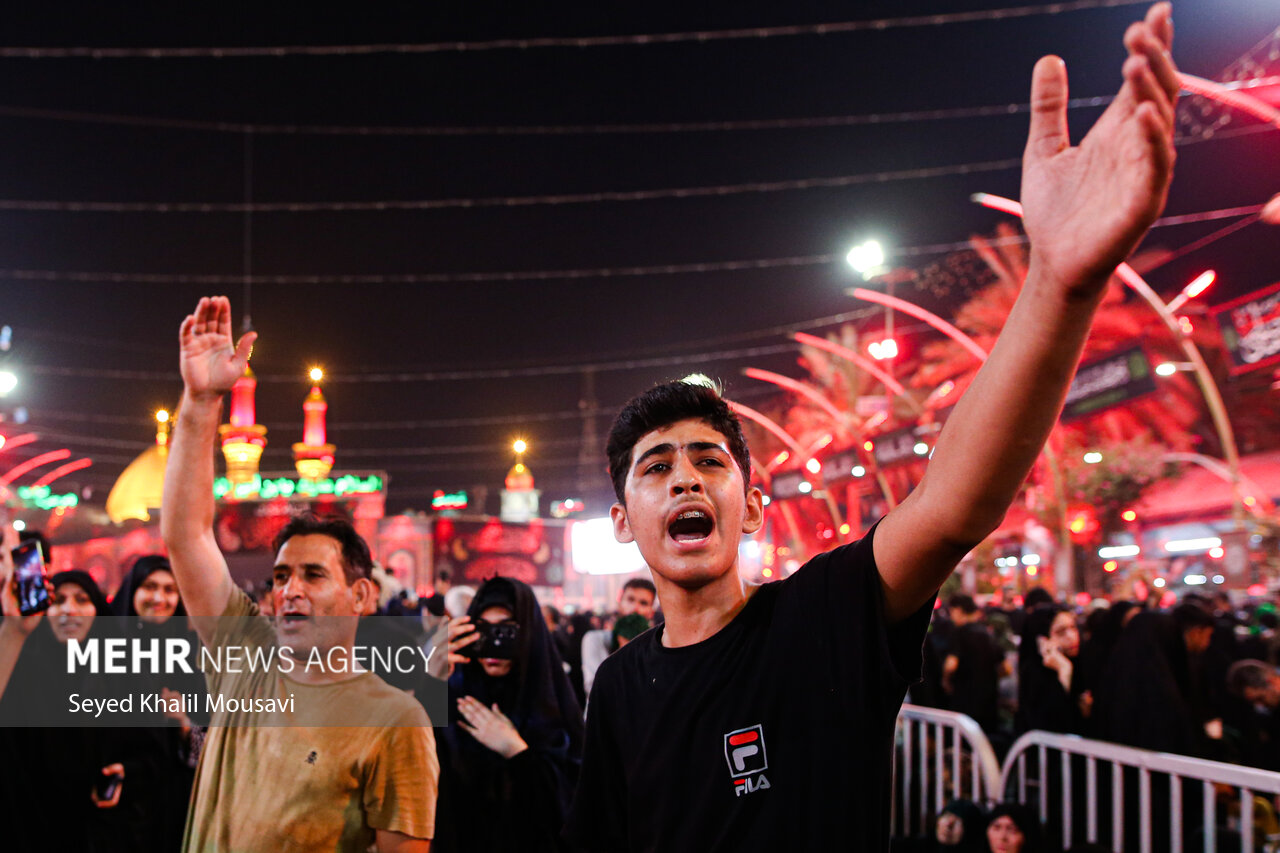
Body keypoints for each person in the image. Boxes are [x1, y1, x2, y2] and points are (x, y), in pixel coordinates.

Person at [563, 5, 1180, 850]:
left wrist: (1059, 283)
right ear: (623, 523)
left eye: (710, 458)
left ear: (751, 506)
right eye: (655, 466)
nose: (684, 477)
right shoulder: (621, 686)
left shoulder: (819, 622)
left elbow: (951, 506)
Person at [162, 297, 439, 852]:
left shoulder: (395, 720)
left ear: (361, 594)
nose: (289, 590)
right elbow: (188, 534)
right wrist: (199, 402)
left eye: (313, 574)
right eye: (282, 574)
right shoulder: (244, 660)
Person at [432, 576, 584, 852]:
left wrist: (517, 751)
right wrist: (429, 681)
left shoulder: (551, 703)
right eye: (484, 630)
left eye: (507, 631)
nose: (494, 645)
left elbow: (576, 808)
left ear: (528, 634)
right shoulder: (454, 694)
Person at [0, 555, 113, 853]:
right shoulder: (21, 669)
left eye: (81, 599)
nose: (69, 610)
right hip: (30, 826)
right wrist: (13, 632)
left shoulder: (118, 675)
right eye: (58, 600)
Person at [95, 555, 205, 853]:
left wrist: (184, 723)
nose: (159, 598)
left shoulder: (192, 657)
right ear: (133, 591)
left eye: (170, 589)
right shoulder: (106, 651)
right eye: (150, 586)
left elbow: (208, 750)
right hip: (118, 806)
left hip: (172, 809)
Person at [942, 594, 1007, 735]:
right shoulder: (988, 633)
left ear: (958, 610)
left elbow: (951, 665)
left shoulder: (959, 633)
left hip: (964, 702)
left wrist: (946, 681)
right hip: (989, 702)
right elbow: (1007, 668)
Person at [580, 577, 656, 696]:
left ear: (651, 612)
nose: (635, 608)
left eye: (643, 603)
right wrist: (625, 649)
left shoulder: (656, 646)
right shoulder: (595, 639)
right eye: (630, 600)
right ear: (620, 603)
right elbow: (595, 688)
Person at [1015, 605, 1083, 735]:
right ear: (1042, 641)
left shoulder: (1081, 663)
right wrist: (1064, 670)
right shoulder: (1034, 674)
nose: (1072, 636)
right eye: (1061, 632)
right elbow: (1054, 724)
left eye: (1073, 627)